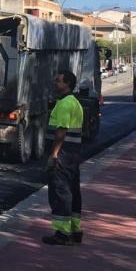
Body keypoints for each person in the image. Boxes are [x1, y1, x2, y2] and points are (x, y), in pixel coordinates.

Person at [43, 69, 85, 246]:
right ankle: (75, 230)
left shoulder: (66, 104)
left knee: (61, 191)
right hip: (72, 155)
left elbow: (61, 132)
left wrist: (53, 155)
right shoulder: (74, 102)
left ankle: (62, 233)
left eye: (58, 81)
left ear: (67, 84)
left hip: (63, 154)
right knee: (73, 191)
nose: (55, 83)